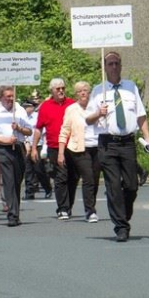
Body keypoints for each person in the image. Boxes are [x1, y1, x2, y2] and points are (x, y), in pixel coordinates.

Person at [91, 51, 149, 242]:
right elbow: (87, 118)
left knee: (132, 185)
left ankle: (123, 214)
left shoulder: (130, 87)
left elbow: (141, 115)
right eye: (110, 64)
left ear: (121, 65)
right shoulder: (97, 90)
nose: (114, 67)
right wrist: (98, 113)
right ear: (105, 67)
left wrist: (147, 138)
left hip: (127, 142)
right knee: (113, 186)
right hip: (107, 143)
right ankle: (121, 226)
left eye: (117, 63)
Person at [58, 81, 103, 222]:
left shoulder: (97, 106)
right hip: (79, 148)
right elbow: (64, 130)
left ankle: (91, 205)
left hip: (97, 146)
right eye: (79, 91)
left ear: (89, 92)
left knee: (95, 179)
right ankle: (90, 211)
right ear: (76, 94)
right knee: (88, 177)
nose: (83, 93)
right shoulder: (72, 109)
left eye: (85, 90)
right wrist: (60, 152)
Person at [31, 78, 76, 219]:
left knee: (73, 178)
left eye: (63, 88)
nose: (61, 90)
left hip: (73, 146)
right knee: (60, 177)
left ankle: (68, 206)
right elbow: (38, 128)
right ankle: (62, 207)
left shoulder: (72, 104)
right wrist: (33, 147)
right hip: (54, 147)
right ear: (52, 91)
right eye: (58, 89)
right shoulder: (45, 106)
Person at [0, 86, 32, 227]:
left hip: (18, 147)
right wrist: (5, 140)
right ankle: (12, 215)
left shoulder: (19, 110)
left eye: (12, 96)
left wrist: (18, 128)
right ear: (1, 98)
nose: (11, 99)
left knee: (17, 181)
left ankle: (15, 212)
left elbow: (29, 131)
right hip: (3, 148)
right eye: (7, 96)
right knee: (8, 180)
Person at [23, 99, 52, 200]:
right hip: (26, 145)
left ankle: (47, 188)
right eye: (25, 106)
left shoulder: (37, 117)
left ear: (33, 107)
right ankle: (29, 192)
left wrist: (45, 146)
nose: (26, 108)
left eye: (28, 106)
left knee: (39, 169)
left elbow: (43, 132)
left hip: (38, 145)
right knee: (28, 170)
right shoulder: (22, 117)